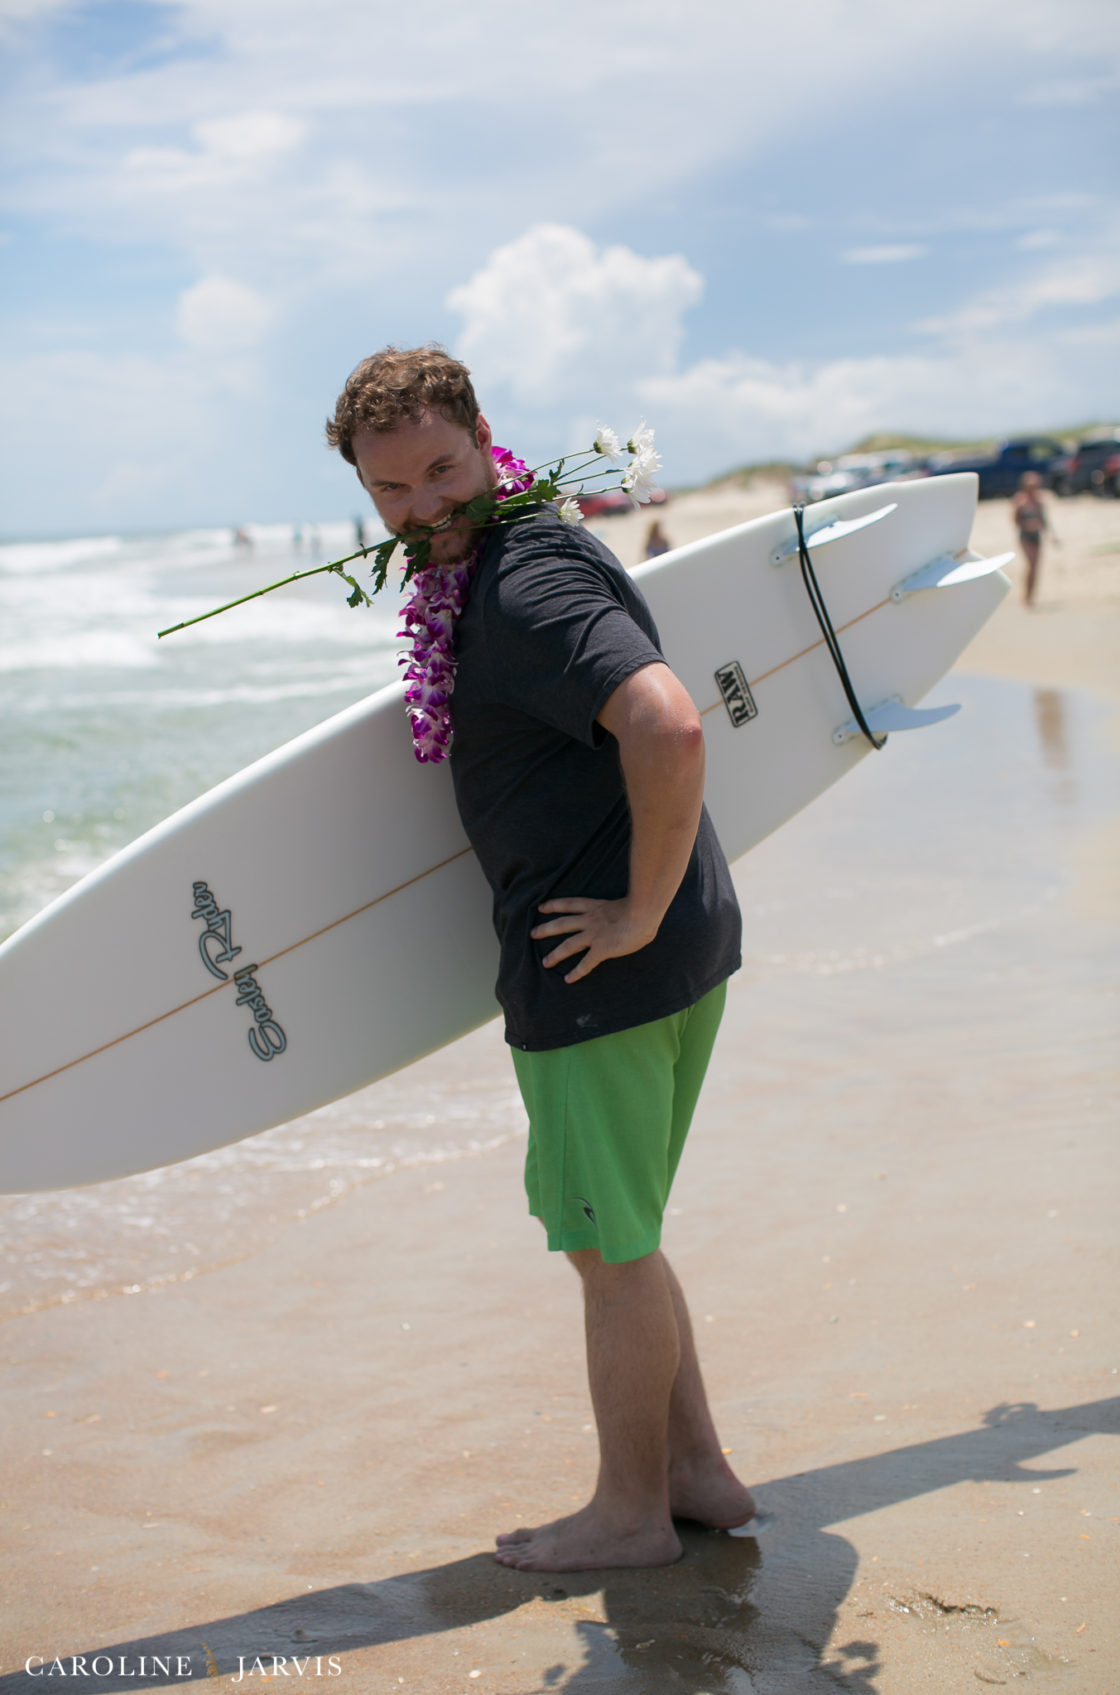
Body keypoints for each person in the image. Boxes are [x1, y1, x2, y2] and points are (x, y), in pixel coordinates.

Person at [326, 346, 753, 1572]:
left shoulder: (518, 587)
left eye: (442, 473)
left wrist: (630, 908)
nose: (422, 509)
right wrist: (659, 908)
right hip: (675, 948)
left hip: (597, 971)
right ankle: (695, 1475)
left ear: (483, 439)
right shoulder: (543, 542)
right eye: (390, 492)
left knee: (605, 1252)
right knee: (625, 1232)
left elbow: (667, 725)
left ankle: (628, 1518)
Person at [1011, 471, 1054, 607]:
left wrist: (1051, 535)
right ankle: (1025, 597)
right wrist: (1028, 525)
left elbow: (1044, 520)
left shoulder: (1039, 501)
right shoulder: (1020, 500)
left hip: (1037, 536)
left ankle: (1031, 597)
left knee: (1035, 567)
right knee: (1030, 566)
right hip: (1025, 536)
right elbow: (1015, 520)